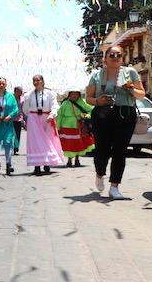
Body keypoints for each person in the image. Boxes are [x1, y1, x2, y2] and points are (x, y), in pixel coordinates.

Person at [85, 45, 146, 199]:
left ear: (122, 57)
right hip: (102, 115)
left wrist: (132, 89)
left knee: (120, 151)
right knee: (102, 150)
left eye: (119, 55)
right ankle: (100, 173)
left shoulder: (130, 72)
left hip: (125, 114)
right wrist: (98, 100)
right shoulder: (97, 75)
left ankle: (114, 186)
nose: (115, 57)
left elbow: (141, 95)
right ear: (105, 57)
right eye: (112, 55)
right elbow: (88, 98)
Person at [22, 75, 64, 176]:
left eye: (38, 80)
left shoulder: (50, 94)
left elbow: (54, 106)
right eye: (34, 81)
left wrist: (52, 114)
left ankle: (47, 163)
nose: (36, 82)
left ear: (42, 81)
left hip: (47, 118)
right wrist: (32, 117)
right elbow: (25, 108)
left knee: (48, 140)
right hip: (34, 119)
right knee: (35, 141)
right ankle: (37, 166)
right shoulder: (28, 95)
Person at [56, 89, 95, 167]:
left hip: (79, 126)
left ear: (79, 94)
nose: (74, 95)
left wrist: (86, 116)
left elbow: (91, 111)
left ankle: (77, 159)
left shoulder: (83, 102)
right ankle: (69, 160)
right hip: (66, 126)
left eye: (76, 94)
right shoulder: (65, 104)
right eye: (72, 94)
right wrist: (58, 127)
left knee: (79, 143)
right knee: (68, 143)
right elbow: (59, 116)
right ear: (69, 94)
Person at [12, 86, 25, 155]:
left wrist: (25, 119)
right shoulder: (10, 99)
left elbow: (24, 109)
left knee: (17, 135)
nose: (20, 93)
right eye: (19, 92)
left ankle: (16, 149)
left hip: (19, 119)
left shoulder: (23, 100)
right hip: (10, 119)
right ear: (15, 92)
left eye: (21, 92)